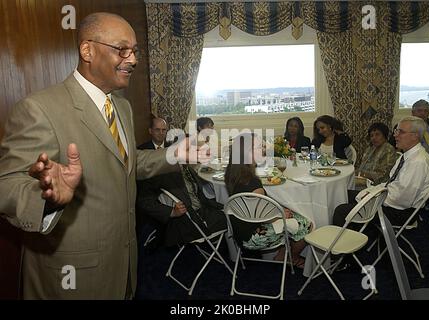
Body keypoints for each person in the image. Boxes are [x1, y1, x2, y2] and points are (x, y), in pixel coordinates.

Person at [0, 13, 206, 300]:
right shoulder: (39, 109)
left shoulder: (121, 107)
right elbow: (7, 185)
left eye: (135, 51)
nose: (133, 59)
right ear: (87, 50)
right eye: (122, 49)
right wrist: (46, 198)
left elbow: (125, 164)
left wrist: (173, 155)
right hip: (71, 275)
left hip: (123, 263)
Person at [333, 116, 429, 228]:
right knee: (342, 194)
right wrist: (371, 192)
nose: (395, 135)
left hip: (399, 212)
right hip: (390, 199)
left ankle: (355, 242)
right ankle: (366, 233)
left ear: (415, 136)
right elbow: (390, 183)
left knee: (341, 211)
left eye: (401, 132)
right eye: (396, 131)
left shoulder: (418, 162)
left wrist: (373, 198)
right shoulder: (408, 155)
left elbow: (402, 199)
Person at [224, 133, 311, 268]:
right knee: (307, 223)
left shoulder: (232, 173)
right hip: (253, 238)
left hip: (239, 231)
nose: (264, 150)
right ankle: (290, 257)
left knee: (290, 213)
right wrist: (280, 215)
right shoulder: (253, 183)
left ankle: (282, 255)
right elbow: (261, 217)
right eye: (259, 147)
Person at [136, 164, 226, 247]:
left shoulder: (185, 166)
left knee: (229, 208)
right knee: (233, 215)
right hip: (191, 222)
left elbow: (198, 194)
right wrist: (171, 212)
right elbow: (144, 201)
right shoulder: (161, 171)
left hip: (201, 209)